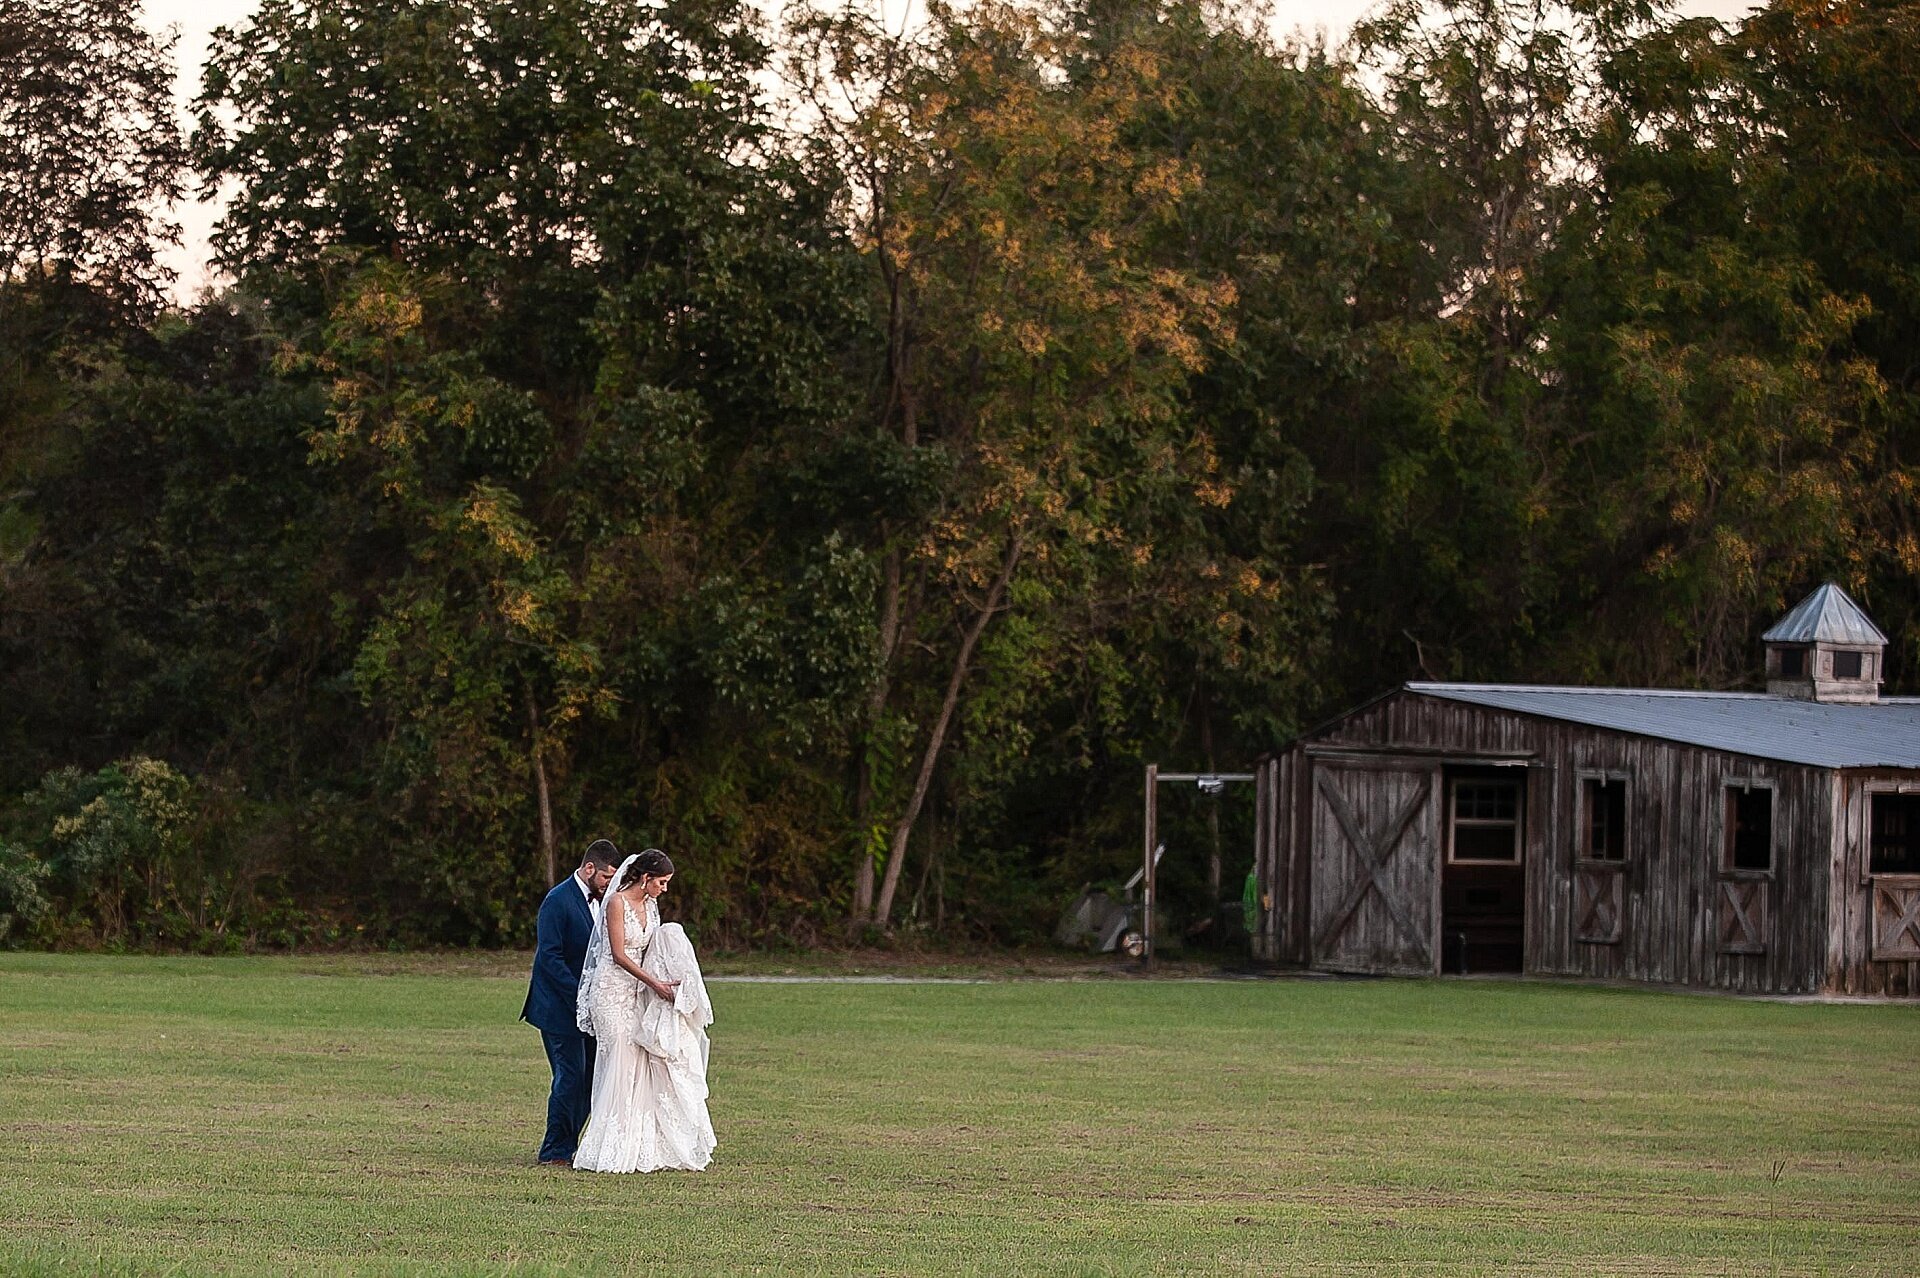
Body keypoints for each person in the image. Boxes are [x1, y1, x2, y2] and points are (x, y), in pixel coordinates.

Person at [572, 847, 717, 1173]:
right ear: (646, 877)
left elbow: (653, 946)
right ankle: (606, 1147)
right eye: (661, 882)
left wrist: (673, 973)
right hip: (611, 991)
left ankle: (635, 1145)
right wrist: (655, 984)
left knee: (638, 1066)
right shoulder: (616, 903)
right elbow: (619, 955)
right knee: (619, 1062)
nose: (664, 889)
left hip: (638, 990)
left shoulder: (650, 905)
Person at [522, 839, 621, 1167]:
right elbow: (549, 957)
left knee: (593, 1077)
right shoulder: (557, 901)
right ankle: (554, 1151)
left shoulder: (606, 903)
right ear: (589, 868)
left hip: (591, 1010)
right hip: (557, 1008)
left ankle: (571, 1143)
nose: (608, 884)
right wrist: (581, 994)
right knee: (570, 1076)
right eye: (606, 877)